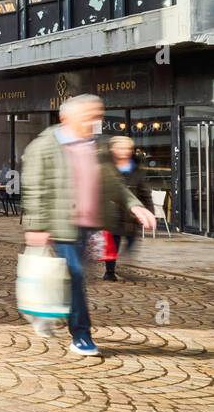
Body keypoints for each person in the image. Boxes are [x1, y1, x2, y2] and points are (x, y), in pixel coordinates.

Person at [22, 95, 157, 356]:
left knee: (72, 277)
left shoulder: (97, 147)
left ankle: (46, 311)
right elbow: (34, 186)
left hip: (89, 227)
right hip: (59, 225)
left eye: (97, 115)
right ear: (66, 117)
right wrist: (37, 226)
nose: (95, 120)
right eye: (89, 114)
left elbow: (113, 183)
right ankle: (81, 335)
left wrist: (134, 205)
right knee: (75, 274)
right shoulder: (44, 146)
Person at [103, 135, 153, 282]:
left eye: (127, 148)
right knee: (113, 244)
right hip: (111, 215)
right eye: (121, 148)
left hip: (131, 215)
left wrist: (149, 213)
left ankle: (124, 262)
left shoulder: (136, 170)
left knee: (131, 240)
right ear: (113, 149)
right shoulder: (106, 167)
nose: (124, 151)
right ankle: (110, 271)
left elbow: (145, 193)